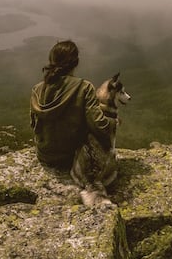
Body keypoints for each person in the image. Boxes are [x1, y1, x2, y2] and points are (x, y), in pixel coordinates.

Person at [29, 40, 116, 205]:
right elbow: (99, 126)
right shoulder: (85, 87)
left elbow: (34, 125)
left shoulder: (37, 89)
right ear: (76, 62)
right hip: (72, 158)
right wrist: (113, 122)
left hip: (45, 154)